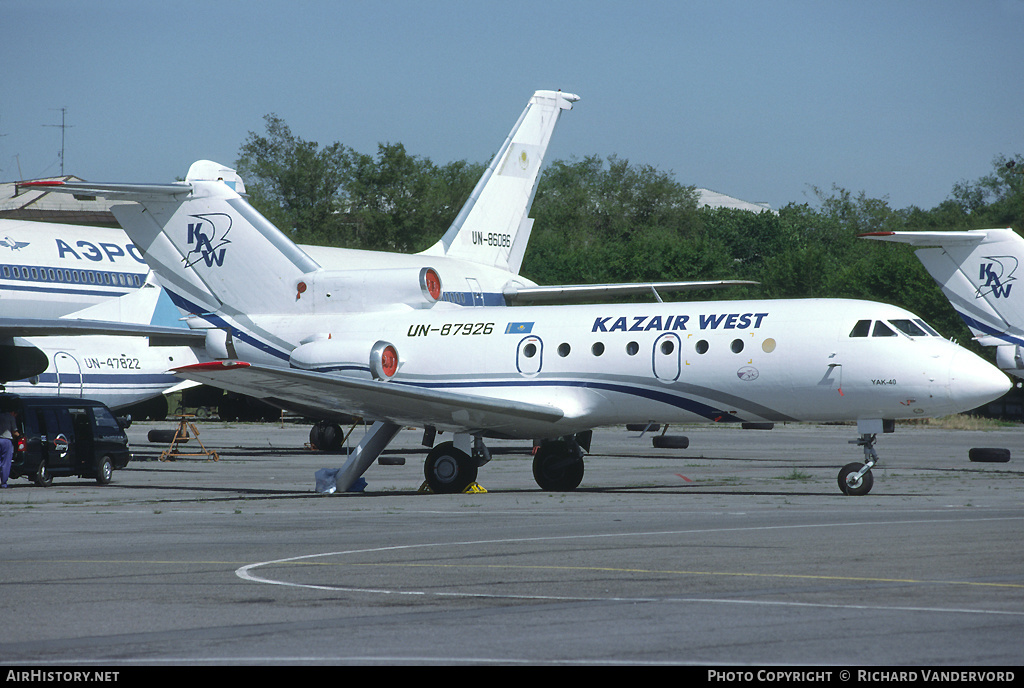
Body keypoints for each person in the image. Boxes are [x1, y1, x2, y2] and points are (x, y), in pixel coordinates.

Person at [0, 407, 19, 488]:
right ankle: (3, 483)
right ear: (13, 412)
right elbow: (14, 432)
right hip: (6, 440)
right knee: (5, 463)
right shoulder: (11, 418)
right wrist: (20, 435)